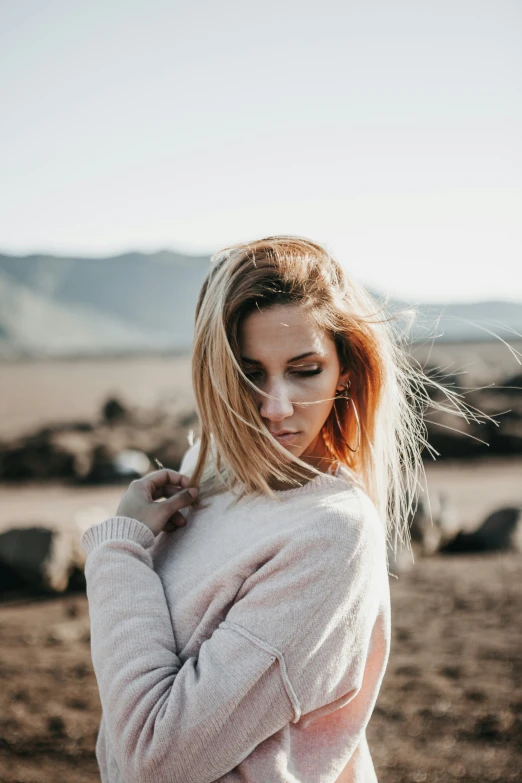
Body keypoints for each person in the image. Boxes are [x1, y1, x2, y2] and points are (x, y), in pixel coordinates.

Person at [80, 236, 433, 782]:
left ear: (345, 370)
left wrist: (118, 552)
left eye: (305, 369)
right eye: (249, 373)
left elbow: (157, 758)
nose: (275, 407)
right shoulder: (209, 471)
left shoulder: (330, 533)